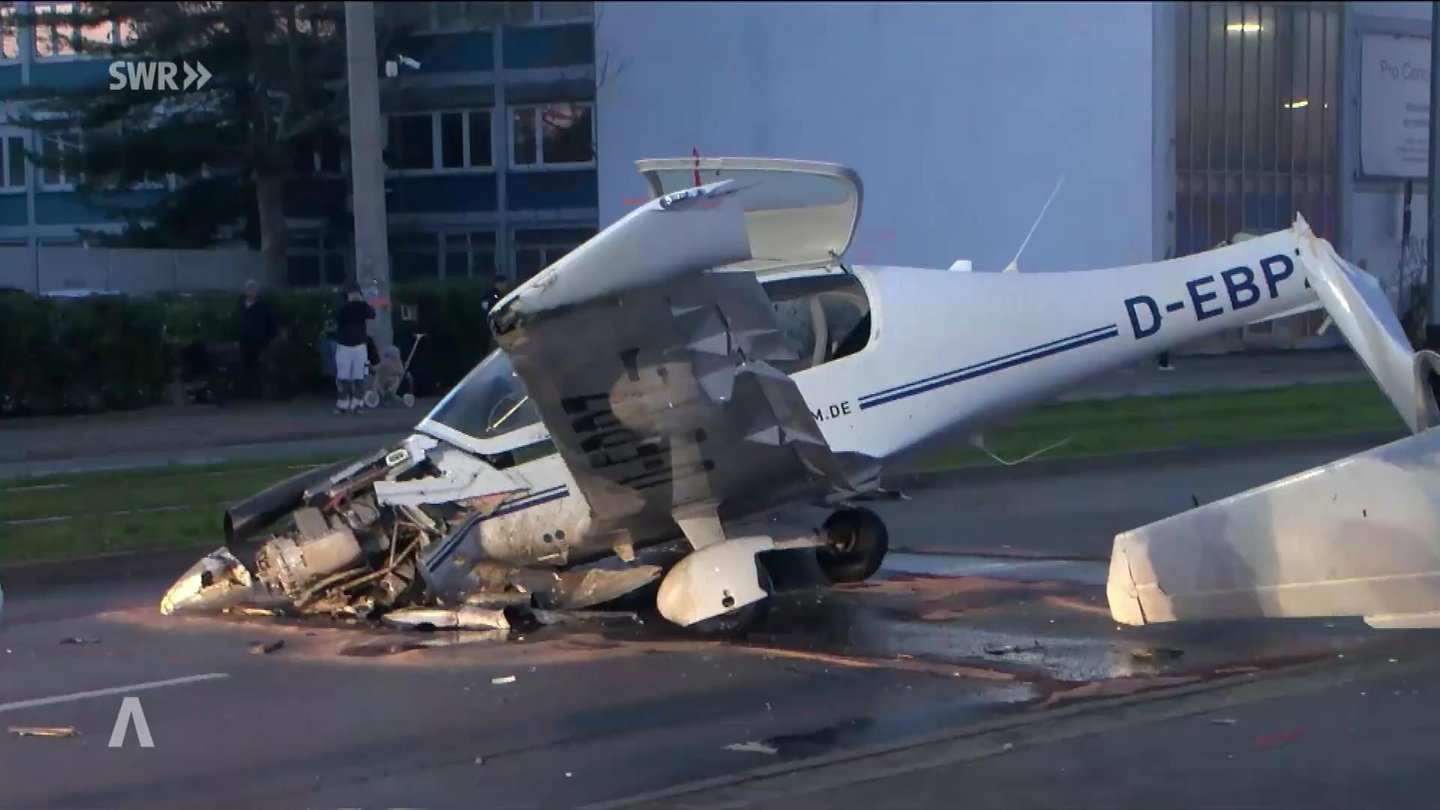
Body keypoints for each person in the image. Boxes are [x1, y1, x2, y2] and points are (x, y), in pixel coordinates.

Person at [333, 281, 376, 413]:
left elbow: (372, 314)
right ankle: (342, 403)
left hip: (360, 346)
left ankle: (357, 402)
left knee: (359, 375)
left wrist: (362, 302)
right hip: (344, 346)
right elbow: (338, 315)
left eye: (356, 293)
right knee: (343, 376)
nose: (354, 295)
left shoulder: (362, 306)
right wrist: (349, 303)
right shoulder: (342, 306)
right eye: (352, 293)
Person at [237, 280, 278, 399]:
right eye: (249, 289)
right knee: (245, 365)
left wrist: (267, 339)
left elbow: (272, 324)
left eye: (253, 289)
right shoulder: (241, 306)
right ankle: (247, 392)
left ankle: (257, 392)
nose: (251, 292)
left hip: (259, 341)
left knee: (258, 366)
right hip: (244, 341)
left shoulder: (263, 306)